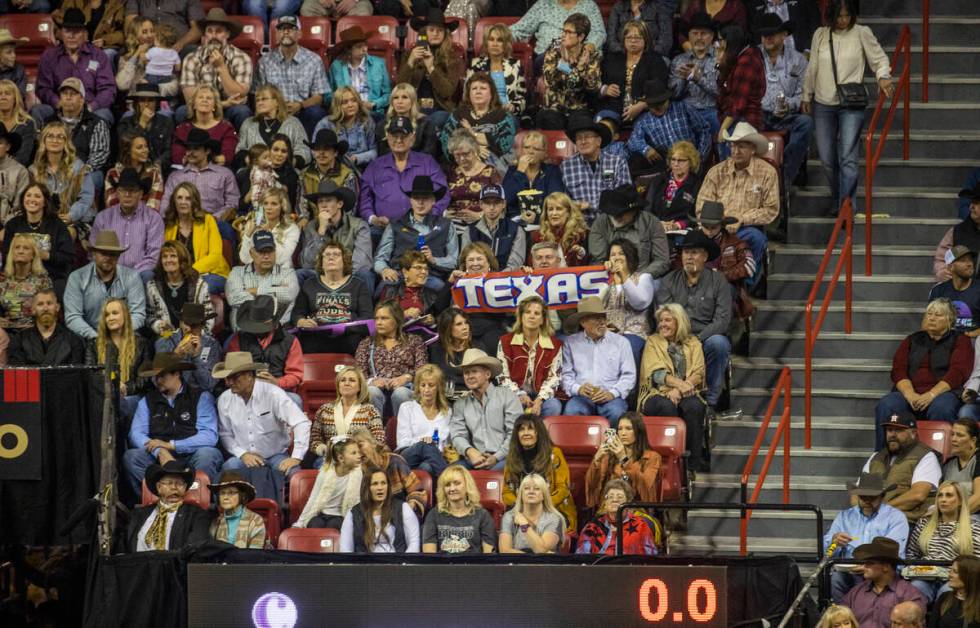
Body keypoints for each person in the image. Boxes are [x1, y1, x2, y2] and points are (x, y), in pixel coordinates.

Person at [802, 0, 892, 213]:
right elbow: (812, 67)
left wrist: (883, 77)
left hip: (851, 103)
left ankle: (847, 206)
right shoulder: (820, 35)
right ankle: (839, 197)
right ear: (832, 16)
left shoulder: (862, 32)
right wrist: (806, 95)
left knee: (848, 157)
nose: (844, 20)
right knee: (826, 159)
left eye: (847, 16)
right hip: (823, 102)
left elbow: (879, 60)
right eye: (840, 16)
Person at [123, 352, 223, 503]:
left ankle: (200, 503)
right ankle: (155, 503)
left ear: (177, 374)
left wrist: (172, 446)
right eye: (155, 377)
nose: (158, 380)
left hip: (191, 455)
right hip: (158, 458)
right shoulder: (148, 400)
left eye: (162, 376)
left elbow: (209, 436)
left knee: (208, 454)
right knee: (132, 457)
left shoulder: (200, 397)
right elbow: (136, 433)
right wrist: (160, 451)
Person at [874, 299, 973, 448]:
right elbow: (898, 370)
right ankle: (882, 457)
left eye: (938, 315)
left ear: (949, 320)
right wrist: (910, 394)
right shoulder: (912, 339)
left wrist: (931, 395)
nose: (931, 318)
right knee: (887, 404)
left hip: (943, 393)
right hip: (910, 393)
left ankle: (940, 460)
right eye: (929, 314)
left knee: (942, 408)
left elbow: (957, 372)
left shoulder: (961, 340)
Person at [655, 230, 732, 411]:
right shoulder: (668, 281)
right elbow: (664, 316)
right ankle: (667, 395)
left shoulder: (719, 281)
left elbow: (722, 320)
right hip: (675, 338)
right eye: (686, 252)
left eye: (694, 252)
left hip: (705, 337)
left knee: (719, 343)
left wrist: (698, 339)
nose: (689, 257)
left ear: (705, 256)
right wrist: (683, 339)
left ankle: (711, 401)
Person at [214, 351, 310, 495]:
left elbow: (301, 422)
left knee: (294, 473)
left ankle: (288, 514)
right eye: (227, 378)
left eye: (234, 377)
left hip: (275, 455)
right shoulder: (224, 399)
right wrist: (242, 454)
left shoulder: (273, 394)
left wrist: (296, 456)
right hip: (244, 456)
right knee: (229, 469)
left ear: (249, 376)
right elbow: (225, 434)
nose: (229, 382)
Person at [696, 122, 779, 285]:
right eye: (733, 146)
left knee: (756, 238)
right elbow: (701, 206)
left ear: (753, 149)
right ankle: (705, 280)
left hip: (746, 228)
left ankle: (744, 284)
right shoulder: (717, 172)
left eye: (741, 147)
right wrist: (717, 224)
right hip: (715, 228)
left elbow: (771, 210)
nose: (735, 151)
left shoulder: (767, 172)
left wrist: (741, 219)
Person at [638, 303, 708, 468]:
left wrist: (679, 390)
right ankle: (666, 460)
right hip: (656, 393)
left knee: (694, 407)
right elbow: (656, 374)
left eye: (668, 320)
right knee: (666, 406)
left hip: (687, 392)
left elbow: (698, 373)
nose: (662, 324)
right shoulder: (653, 341)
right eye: (661, 320)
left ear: (679, 322)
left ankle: (692, 462)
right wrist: (678, 385)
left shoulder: (694, 343)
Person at [824, 473, 911, 602]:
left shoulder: (896, 518)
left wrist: (869, 566)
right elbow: (827, 553)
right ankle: (844, 616)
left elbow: (893, 552)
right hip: (849, 571)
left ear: (882, 497)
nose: (866, 500)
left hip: (881, 571)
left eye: (872, 497)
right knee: (836, 578)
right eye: (863, 497)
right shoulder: (844, 516)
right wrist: (834, 542)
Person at [359, 117, 450, 235]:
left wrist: (430, 216)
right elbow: (364, 199)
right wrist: (373, 218)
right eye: (394, 136)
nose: (398, 140)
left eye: (403, 136)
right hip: (384, 229)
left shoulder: (427, 162)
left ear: (412, 137)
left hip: (421, 228)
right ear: (388, 137)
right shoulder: (375, 166)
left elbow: (443, 193)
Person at [373, 174, 457, 291]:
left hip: (430, 276)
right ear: (411, 200)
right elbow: (380, 258)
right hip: (400, 275)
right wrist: (384, 269)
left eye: (425, 198)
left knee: (440, 288)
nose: (420, 202)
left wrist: (434, 260)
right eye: (416, 198)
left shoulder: (446, 225)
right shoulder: (395, 225)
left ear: (433, 200)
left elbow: (454, 261)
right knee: (384, 287)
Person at [757, 14, 813, 189]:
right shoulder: (752, 56)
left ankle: (783, 174)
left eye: (773, 33)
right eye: (765, 34)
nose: (768, 38)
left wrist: (789, 104)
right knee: (737, 123)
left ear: (784, 35)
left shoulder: (798, 60)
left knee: (806, 123)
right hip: (759, 114)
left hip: (786, 116)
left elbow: (802, 94)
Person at [34, 9, 116, 125]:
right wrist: (58, 103)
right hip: (59, 108)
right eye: (67, 31)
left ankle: (96, 143)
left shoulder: (98, 56)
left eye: (76, 31)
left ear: (84, 33)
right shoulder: (49, 56)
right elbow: (43, 88)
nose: (71, 36)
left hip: (89, 109)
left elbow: (108, 89)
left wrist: (91, 107)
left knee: (104, 114)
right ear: (61, 32)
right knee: (38, 111)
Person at [560, 296, 636, 421]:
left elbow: (629, 376)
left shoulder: (621, 342)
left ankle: (613, 441)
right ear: (583, 322)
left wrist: (612, 393)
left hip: (612, 397)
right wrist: (579, 389)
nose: (602, 322)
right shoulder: (571, 343)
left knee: (616, 412)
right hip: (581, 398)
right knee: (572, 411)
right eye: (596, 318)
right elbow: (565, 376)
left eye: (603, 317)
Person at [292, 239, 373, 355]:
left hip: (349, 336)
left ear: (344, 260)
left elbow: (367, 317)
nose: (331, 258)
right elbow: (297, 313)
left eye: (336, 255)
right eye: (327, 255)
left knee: (355, 342)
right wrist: (301, 321)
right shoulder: (309, 284)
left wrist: (344, 327)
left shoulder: (358, 284)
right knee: (306, 342)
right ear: (321, 261)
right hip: (317, 335)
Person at [160, 128, 239, 243]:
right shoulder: (176, 176)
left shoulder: (224, 174)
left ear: (207, 151)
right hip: (181, 221)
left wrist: (211, 219)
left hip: (213, 221)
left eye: (195, 149)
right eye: (188, 149)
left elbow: (232, 204)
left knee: (226, 230)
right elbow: (165, 205)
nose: (190, 153)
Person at [449, 348, 522, 471]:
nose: (469, 376)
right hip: (475, 458)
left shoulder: (507, 395)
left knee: (495, 472)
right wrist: (470, 452)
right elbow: (457, 435)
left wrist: (497, 457)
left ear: (487, 374)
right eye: (466, 373)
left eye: (474, 371)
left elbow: (515, 432)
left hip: (505, 457)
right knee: (450, 473)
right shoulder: (460, 403)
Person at [178, 8, 253, 129]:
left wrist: (221, 67)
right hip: (203, 109)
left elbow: (238, 95)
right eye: (210, 31)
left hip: (231, 110)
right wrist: (224, 103)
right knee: (182, 112)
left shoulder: (242, 58)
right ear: (205, 34)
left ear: (227, 34)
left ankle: (239, 147)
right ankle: (192, 147)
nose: (213, 36)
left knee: (242, 111)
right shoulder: (192, 58)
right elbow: (190, 99)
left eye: (219, 31)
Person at [863, 410, 943, 523]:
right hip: (871, 520)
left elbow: (918, 495)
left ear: (913, 433)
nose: (892, 435)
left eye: (899, 430)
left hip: (904, 521)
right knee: (837, 538)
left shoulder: (926, 456)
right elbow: (858, 493)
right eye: (889, 430)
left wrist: (881, 510)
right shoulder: (876, 457)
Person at [257, 16, 331, 137]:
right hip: (274, 112)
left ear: (300, 34)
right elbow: (258, 95)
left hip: (303, 111)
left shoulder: (314, 60)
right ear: (276, 34)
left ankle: (308, 149)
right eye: (281, 29)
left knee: (316, 112)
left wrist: (300, 105)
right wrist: (276, 107)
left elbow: (319, 97)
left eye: (291, 29)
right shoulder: (265, 61)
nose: (285, 32)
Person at [64, 230, 146, 340]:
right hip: (89, 337)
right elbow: (73, 317)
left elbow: (138, 314)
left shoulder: (132, 277)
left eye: (112, 254)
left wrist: (119, 333)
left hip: (123, 335)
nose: (108, 258)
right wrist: (96, 338)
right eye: (103, 253)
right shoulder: (77, 278)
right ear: (94, 254)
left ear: (118, 257)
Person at [906, 481, 980, 601]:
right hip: (924, 577)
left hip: (955, 579)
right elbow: (912, 553)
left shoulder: (973, 528)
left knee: (946, 593)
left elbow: (976, 562)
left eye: (949, 495)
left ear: (960, 501)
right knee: (915, 588)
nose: (943, 499)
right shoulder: (924, 523)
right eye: (940, 495)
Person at [502, 414, 576, 529]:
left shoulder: (554, 454)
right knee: (507, 521)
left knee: (543, 525)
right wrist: (523, 508)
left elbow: (563, 489)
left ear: (539, 432)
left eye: (530, 429)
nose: (526, 433)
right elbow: (506, 493)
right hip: (522, 509)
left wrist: (540, 507)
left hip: (552, 508)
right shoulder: (512, 457)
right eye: (521, 429)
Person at [355, 300, 428, 418]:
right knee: (372, 392)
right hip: (376, 389)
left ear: (396, 320)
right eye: (377, 318)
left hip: (406, 388)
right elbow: (359, 373)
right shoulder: (367, 343)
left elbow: (423, 370)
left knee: (401, 393)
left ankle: (403, 433)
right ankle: (376, 433)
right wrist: (372, 381)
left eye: (384, 318)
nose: (378, 322)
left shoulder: (414, 341)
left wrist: (406, 378)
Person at [92, 168, 165, 282]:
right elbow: (94, 252)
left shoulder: (153, 218)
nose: (127, 194)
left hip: (140, 274)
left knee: (148, 274)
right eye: (123, 190)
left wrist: (131, 275)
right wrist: (111, 272)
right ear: (117, 193)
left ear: (141, 194)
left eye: (132, 191)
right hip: (108, 272)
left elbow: (153, 257)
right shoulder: (103, 218)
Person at [1, 183, 75, 296]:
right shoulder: (13, 224)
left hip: (51, 278)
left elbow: (68, 258)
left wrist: (45, 255)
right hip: (18, 278)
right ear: (23, 199)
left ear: (45, 202)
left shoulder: (57, 225)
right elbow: (6, 256)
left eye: (37, 196)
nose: (32, 199)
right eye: (28, 195)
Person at [498, 295, 564, 418]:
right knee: (511, 405)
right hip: (515, 394)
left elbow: (555, 378)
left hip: (542, 395)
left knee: (554, 406)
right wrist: (520, 394)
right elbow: (502, 377)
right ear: (521, 316)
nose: (532, 316)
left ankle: (543, 436)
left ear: (543, 319)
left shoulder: (555, 345)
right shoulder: (505, 341)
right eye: (527, 312)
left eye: (537, 313)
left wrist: (539, 400)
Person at [85, 297, 152, 419]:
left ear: (125, 315)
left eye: (115, 313)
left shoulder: (142, 344)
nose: (110, 318)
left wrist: (126, 388)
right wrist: (111, 386)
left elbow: (145, 378)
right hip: (104, 396)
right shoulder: (93, 345)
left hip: (131, 395)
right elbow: (90, 374)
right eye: (107, 315)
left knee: (122, 403)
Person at [226, 295, 303, 400]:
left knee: (295, 399)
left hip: (278, 390)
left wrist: (277, 382)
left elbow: (295, 374)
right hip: (244, 389)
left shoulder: (290, 341)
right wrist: (248, 382)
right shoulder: (238, 339)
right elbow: (231, 369)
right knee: (226, 398)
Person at [124, 461, 211, 552]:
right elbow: (123, 547)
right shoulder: (138, 515)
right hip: (137, 564)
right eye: (169, 483)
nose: (174, 487)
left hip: (174, 565)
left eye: (179, 483)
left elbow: (194, 548)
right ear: (159, 487)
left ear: (185, 487)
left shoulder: (196, 515)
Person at [627, 78, 711, 173]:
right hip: (666, 166)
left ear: (667, 99)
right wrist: (645, 149)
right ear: (647, 104)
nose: (657, 107)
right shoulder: (643, 121)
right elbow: (632, 141)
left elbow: (704, 130)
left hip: (691, 161)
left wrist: (699, 156)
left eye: (661, 102)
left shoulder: (683, 108)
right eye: (653, 104)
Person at [589, 184, 670, 281]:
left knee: (657, 286)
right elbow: (597, 260)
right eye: (613, 212)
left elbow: (662, 260)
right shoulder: (600, 224)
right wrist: (606, 268)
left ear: (634, 211)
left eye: (621, 213)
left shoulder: (651, 223)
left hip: (644, 278)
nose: (616, 216)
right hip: (610, 278)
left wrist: (642, 276)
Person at [841, 536, 927, 628]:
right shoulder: (855, 592)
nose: (864, 566)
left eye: (870, 563)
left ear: (885, 567)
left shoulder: (910, 594)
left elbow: (916, 625)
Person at [560, 112, 631, 223]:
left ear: (599, 141)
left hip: (612, 223)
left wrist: (590, 205)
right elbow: (563, 202)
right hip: (580, 226)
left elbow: (624, 197)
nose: (583, 141)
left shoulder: (617, 162)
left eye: (587, 137)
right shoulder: (566, 166)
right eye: (579, 138)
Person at [396, 9, 464, 122]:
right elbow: (399, 87)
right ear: (424, 32)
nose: (435, 33)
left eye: (440, 30)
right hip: (413, 107)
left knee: (433, 120)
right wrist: (410, 62)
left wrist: (431, 68)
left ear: (445, 34)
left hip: (440, 109)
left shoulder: (452, 58)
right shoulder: (410, 54)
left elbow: (447, 92)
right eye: (431, 30)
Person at [162, 182, 230, 295]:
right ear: (174, 201)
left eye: (188, 198)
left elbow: (215, 256)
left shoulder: (207, 220)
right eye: (179, 198)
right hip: (178, 275)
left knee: (200, 286)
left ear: (194, 202)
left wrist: (191, 271)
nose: (183, 202)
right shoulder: (169, 225)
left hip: (211, 273)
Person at [225, 230, 300, 330]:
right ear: (251, 253)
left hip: (278, 332)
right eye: (261, 252)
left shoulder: (288, 273)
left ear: (275, 251)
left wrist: (255, 291)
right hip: (244, 332)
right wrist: (275, 295)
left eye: (270, 251)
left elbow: (289, 294)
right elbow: (234, 298)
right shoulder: (237, 273)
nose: (266, 256)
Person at [538, 14, 602, 129]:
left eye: (568, 32)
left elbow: (593, 88)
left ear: (581, 37)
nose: (563, 35)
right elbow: (550, 82)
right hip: (555, 106)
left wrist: (581, 68)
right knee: (550, 120)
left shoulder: (591, 56)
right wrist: (564, 65)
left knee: (581, 124)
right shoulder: (554, 51)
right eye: (563, 31)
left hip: (580, 107)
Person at [49, 78, 112, 194]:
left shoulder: (96, 123)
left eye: (73, 94)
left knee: (89, 179)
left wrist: (81, 171)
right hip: (54, 169)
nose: (68, 97)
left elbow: (100, 154)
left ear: (82, 99)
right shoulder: (49, 122)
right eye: (64, 93)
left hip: (86, 170)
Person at [441, 73, 516, 168]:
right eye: (474, 88)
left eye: (483, 88)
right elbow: (446, 142)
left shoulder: (502, 115)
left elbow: (503, 144)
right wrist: (476, 149)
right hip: (460, 164)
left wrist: (470, 133)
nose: (478, 92)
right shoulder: (458, 114)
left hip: (494, 165)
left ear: (491, 93)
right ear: (469, 94)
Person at [29, 121, 96, 228]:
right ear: (43, 141)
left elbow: (86, 198)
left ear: (66, 142)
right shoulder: (34, 170)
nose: (55, 140)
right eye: (50, 136)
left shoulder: (78, 167)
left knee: (66, 233)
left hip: (74, 220)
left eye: (60, 137)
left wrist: (71, 215)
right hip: (43, 219)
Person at [310, 367, 385, 462]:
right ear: (338, 385)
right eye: (343, 380)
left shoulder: (370, 410)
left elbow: (379, 439)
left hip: (360, 459)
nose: (346, 383)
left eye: (352, 380)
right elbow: (314, 440)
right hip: (330, 458)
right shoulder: (324, 410)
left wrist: (359, 451)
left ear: (360, 387)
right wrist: (324, 449)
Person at [340, 466, 421, 553]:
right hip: (364, 564)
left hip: (396, 564)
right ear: (367, 487)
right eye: (375, 484)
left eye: (383, 483)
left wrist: (403, 564)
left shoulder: (403, 508)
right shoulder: (353, 514)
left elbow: (414, 543)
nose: (380, 488)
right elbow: (345, 549)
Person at [697, 200, 756, 317]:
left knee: (724, 290)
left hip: (724, 285)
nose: (709, 231)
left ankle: (720, 328)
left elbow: (749, 266)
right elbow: (677, 264)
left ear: (722, 225)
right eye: (705, 227)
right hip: (695, 284)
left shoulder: (735, 243)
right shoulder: (692, 241)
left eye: (713, 227)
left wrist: (720, 276)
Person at [421, 465, 497, 554]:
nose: (452, 489)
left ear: (467, 485)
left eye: (457, 483)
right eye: (447, 485)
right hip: (443, 566)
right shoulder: (434, 515)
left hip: (474, 566)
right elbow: (429, 555)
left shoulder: (482, 515)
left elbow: (489, 554)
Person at [145, 241, 213, 338]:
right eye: (164, 257)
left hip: (195, 336)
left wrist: (196, 334)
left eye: (173, 256)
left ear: (182, 259)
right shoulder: (152, 286)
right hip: (166, 337)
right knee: (162, 346)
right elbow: (149, 316)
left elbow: (209, 316)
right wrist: (159, 325)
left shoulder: (199, 285)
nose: (168, 260)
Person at [670, 13, 721, 139]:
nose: (699, 37)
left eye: (703, 33)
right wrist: (684, 79)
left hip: (711, 110)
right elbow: (673, 95)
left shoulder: (719, 59)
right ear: (689, 36)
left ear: (712, 35)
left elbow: (721, 92)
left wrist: (698, 78)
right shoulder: (678, 60)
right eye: (695, 33)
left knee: (718, 120)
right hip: (685, 111)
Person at [396, 364, 452, 479]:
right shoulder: (407, 408)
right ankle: (448, 480)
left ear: (439, 387)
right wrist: (422, 441)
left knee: (426, 467)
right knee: (426, 445)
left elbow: (446, 443)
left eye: (431, 385)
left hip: (435, 458)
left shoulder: (447, 412)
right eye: (423, 385)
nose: (426, 390)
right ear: (418, 387)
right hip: (408, 455)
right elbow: (403, 442)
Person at [294, 437, 364, 529]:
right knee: (314, 524)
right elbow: (313, 499)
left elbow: (357, 501)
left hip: (340, 516)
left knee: (333, 526)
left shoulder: (358, 474)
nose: (359, 456)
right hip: (322, 514)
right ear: (341, 458)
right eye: (354, 453)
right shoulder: (325, 473)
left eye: (358, 452)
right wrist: (299, 523)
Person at [237, 84, 311, 169]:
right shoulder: (248, 123)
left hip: (286, 174)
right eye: (257, 100)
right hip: (255, 173)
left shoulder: (293, 123)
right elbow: (240, 150)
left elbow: (304, 152)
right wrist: (253, 161)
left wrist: (286, 164)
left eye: (264, 99)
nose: (260, 103)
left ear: (277, 102)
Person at [576, 478, 658, 555]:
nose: (614, 500)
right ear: (605, 503)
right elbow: (582, 557)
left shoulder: (641, 526)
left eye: (620, 497)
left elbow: (650, 557)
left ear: (628, 502)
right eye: (611, 497)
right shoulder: (592, 527)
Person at [327, 26, 392, 121]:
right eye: (359, 47)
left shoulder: (379, 64)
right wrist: (344, 104)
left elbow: (388, 94)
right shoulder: (336, 66)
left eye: (365, 45)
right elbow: (328, 95)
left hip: (372, 112)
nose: (364, 49)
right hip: (344, 112)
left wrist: (373, 104)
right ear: (348, 49)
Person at [154, 302, 222, 393]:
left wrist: (196, 357)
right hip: (170, 393)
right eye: (186, 323)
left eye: (194, 325)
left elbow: (209, 384)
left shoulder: (212, 345)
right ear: (180, 322)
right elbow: (155, 380)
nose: (189, 329)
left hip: (199, 395)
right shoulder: (165, 340)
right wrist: (175, 356)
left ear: (202, 325)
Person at [715, 24, 765, 145]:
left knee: (729, 159)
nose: (718, 44)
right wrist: (720, 64)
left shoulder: (747, 61)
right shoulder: (738, 57)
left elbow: (738, 105)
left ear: (730, 40)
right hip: (733, 117)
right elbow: (722, 87)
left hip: (743, 121)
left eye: (720, 40)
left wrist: (723, 129)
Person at [6, 289, 86, 366]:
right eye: (40, 304)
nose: (45, 308)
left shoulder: (73, 340)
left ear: (57, 307)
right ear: (33, 309)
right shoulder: (19, 340)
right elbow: (17, 374)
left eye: (49, 303)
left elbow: (76, 375)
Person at [511, 0, 606, 60]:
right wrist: (499, 35)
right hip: (547, 58)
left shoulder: (589, 5)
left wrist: (591, 46)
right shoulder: (542, 4)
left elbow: (599, 32)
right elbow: (519, 30)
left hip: (581, 57)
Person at [502, 132, 566, 221]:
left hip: (544, 221)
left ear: (544, 153)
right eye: (527, 147)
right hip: (515, 221)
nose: (530, 151)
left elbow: (555, 200)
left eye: (536, 149)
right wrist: (519, 172)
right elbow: (505, 200)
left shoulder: (551, 171)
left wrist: (537, 217)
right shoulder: (513, 171)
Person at [467, 24, 526, 118]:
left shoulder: (516, 65)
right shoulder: (475, 65)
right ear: (486, 43)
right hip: (481, 112)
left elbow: (522, 97)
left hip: (506, 113)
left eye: (500, 40)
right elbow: (467, 94)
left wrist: (513, 107)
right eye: (491, 39)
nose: (495, 44)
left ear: (506, 44)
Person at [172, 86, 238, 167]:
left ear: (214, 106)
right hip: (188, 171)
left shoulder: (226, 128)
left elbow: (227, 157)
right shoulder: (183, 128)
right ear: (194, 105)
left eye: (209, 98)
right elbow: (177, 156)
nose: (204, 100)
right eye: (200, 97)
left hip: (217, 171)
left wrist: (201, 163)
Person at [499, 473, 566, 554]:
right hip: (516, 565)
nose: (531, 492)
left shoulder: (554, 519)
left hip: (545, 566)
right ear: (520, 494)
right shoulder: (509, 516)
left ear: (544, 495)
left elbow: (541, 550)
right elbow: (504, 551)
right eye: (526, 488)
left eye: (537, 489)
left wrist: (523, 523)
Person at [646, 140, 702, 234]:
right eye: (673, 159)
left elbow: (696, 216)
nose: (676, 164)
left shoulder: (697, 184)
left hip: (682, 231)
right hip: (656, 228)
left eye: (681, 160)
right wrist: (658, 223)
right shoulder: (658, 181)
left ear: (691, 162)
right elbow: (647, 210)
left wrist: (677, 225)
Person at [238, 187, 301, 270]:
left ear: (282, 206)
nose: (268, 207)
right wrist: (247, 236)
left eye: (274, 204)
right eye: (265, 203)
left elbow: (283, 258)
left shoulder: (292, 229)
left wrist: (267, 234)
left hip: (281, 275)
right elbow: (245, 259)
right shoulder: (255, 226)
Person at [0, 234, 54, 331]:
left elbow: (48, 311)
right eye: (17, 248)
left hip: (33, 331)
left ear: (33, 255)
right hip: (5, 331)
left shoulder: (42, 281)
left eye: (26, 248)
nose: (21, 251)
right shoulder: (3, 280)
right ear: (12, 253)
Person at [116, 20, 179, 100]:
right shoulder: (127, 58)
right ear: (135, 35)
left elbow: (175, 87)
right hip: (136, 105)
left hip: (161, 103)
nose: (150, 35)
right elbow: (122, 85)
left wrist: (151, 87)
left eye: (152, 31)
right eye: (144, 32)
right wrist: (136, 54)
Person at [115, 84, 174, 170]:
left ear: (156, 103)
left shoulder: (166, 122)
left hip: (158, 168)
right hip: (131, 168)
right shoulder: (126, 122)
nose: (146, 104)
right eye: (142, 100)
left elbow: (169, 150)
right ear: (136, 104)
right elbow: (124, 144)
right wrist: (142, 124)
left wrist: (157, 164)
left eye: (150, 100)